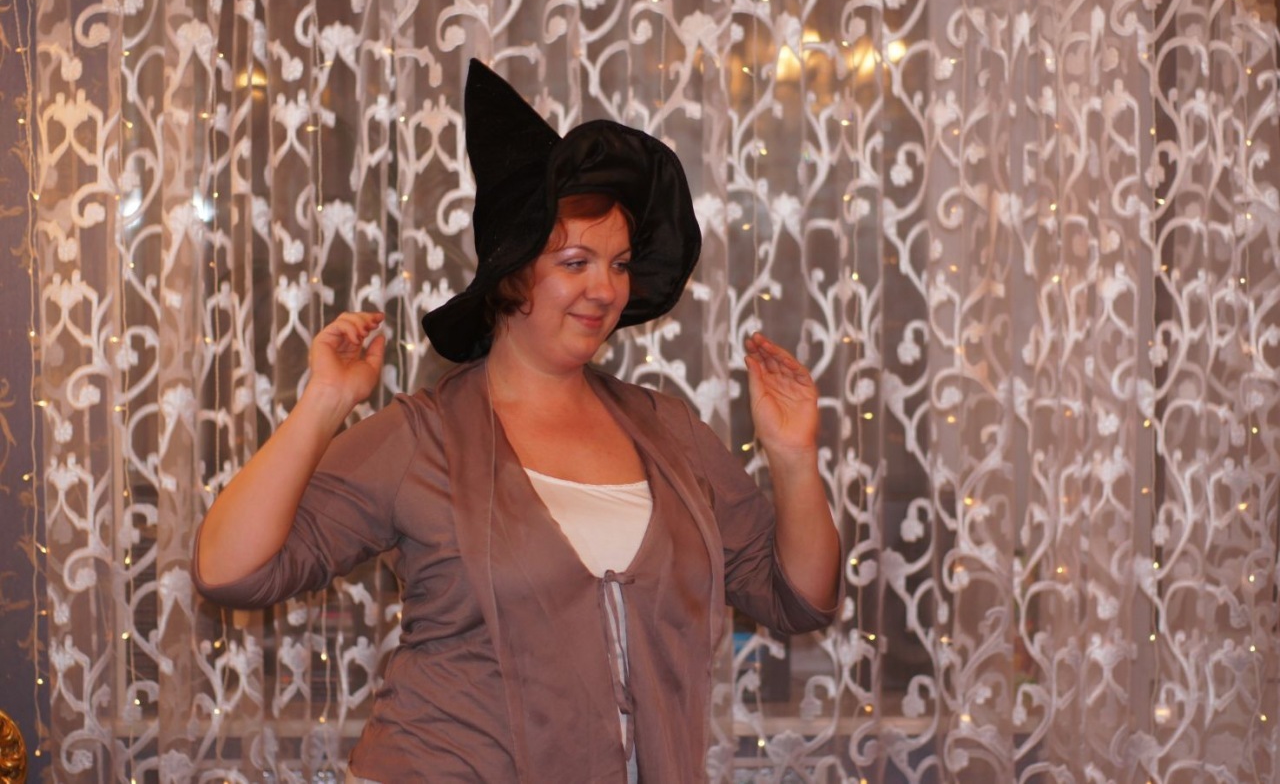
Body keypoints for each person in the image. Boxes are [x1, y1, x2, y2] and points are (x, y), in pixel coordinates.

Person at [194, 59, 842, 783]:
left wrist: (793, 455)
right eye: (576, 261)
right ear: (514, 271)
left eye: (620, 264)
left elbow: (799, 599)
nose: (606, 289)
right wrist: (325, 402)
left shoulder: (669, 431)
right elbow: (229, 570)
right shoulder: (421, 437)